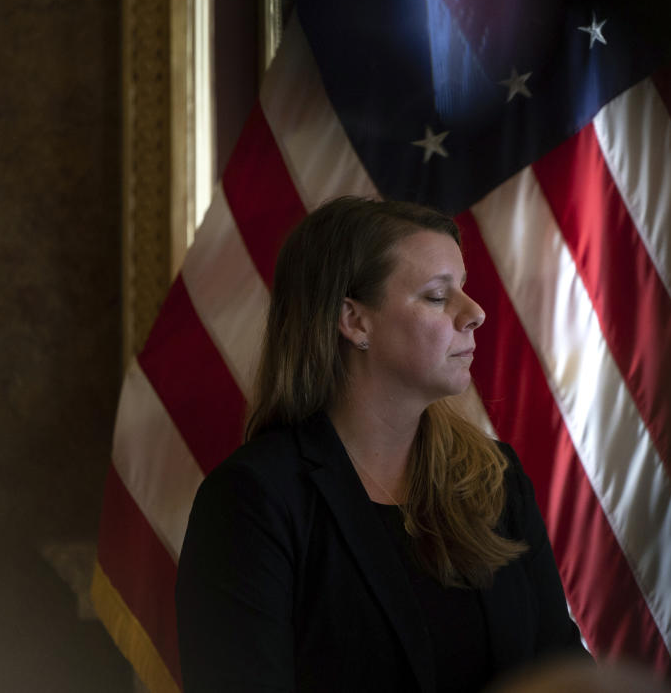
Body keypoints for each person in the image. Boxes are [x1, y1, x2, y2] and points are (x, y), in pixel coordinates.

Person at [176, 196, 586, 692]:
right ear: (354, 321)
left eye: (464, 289)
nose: (475, 312)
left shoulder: (495, 478)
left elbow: (563, 672)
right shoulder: (253, 499)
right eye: (438, 296)